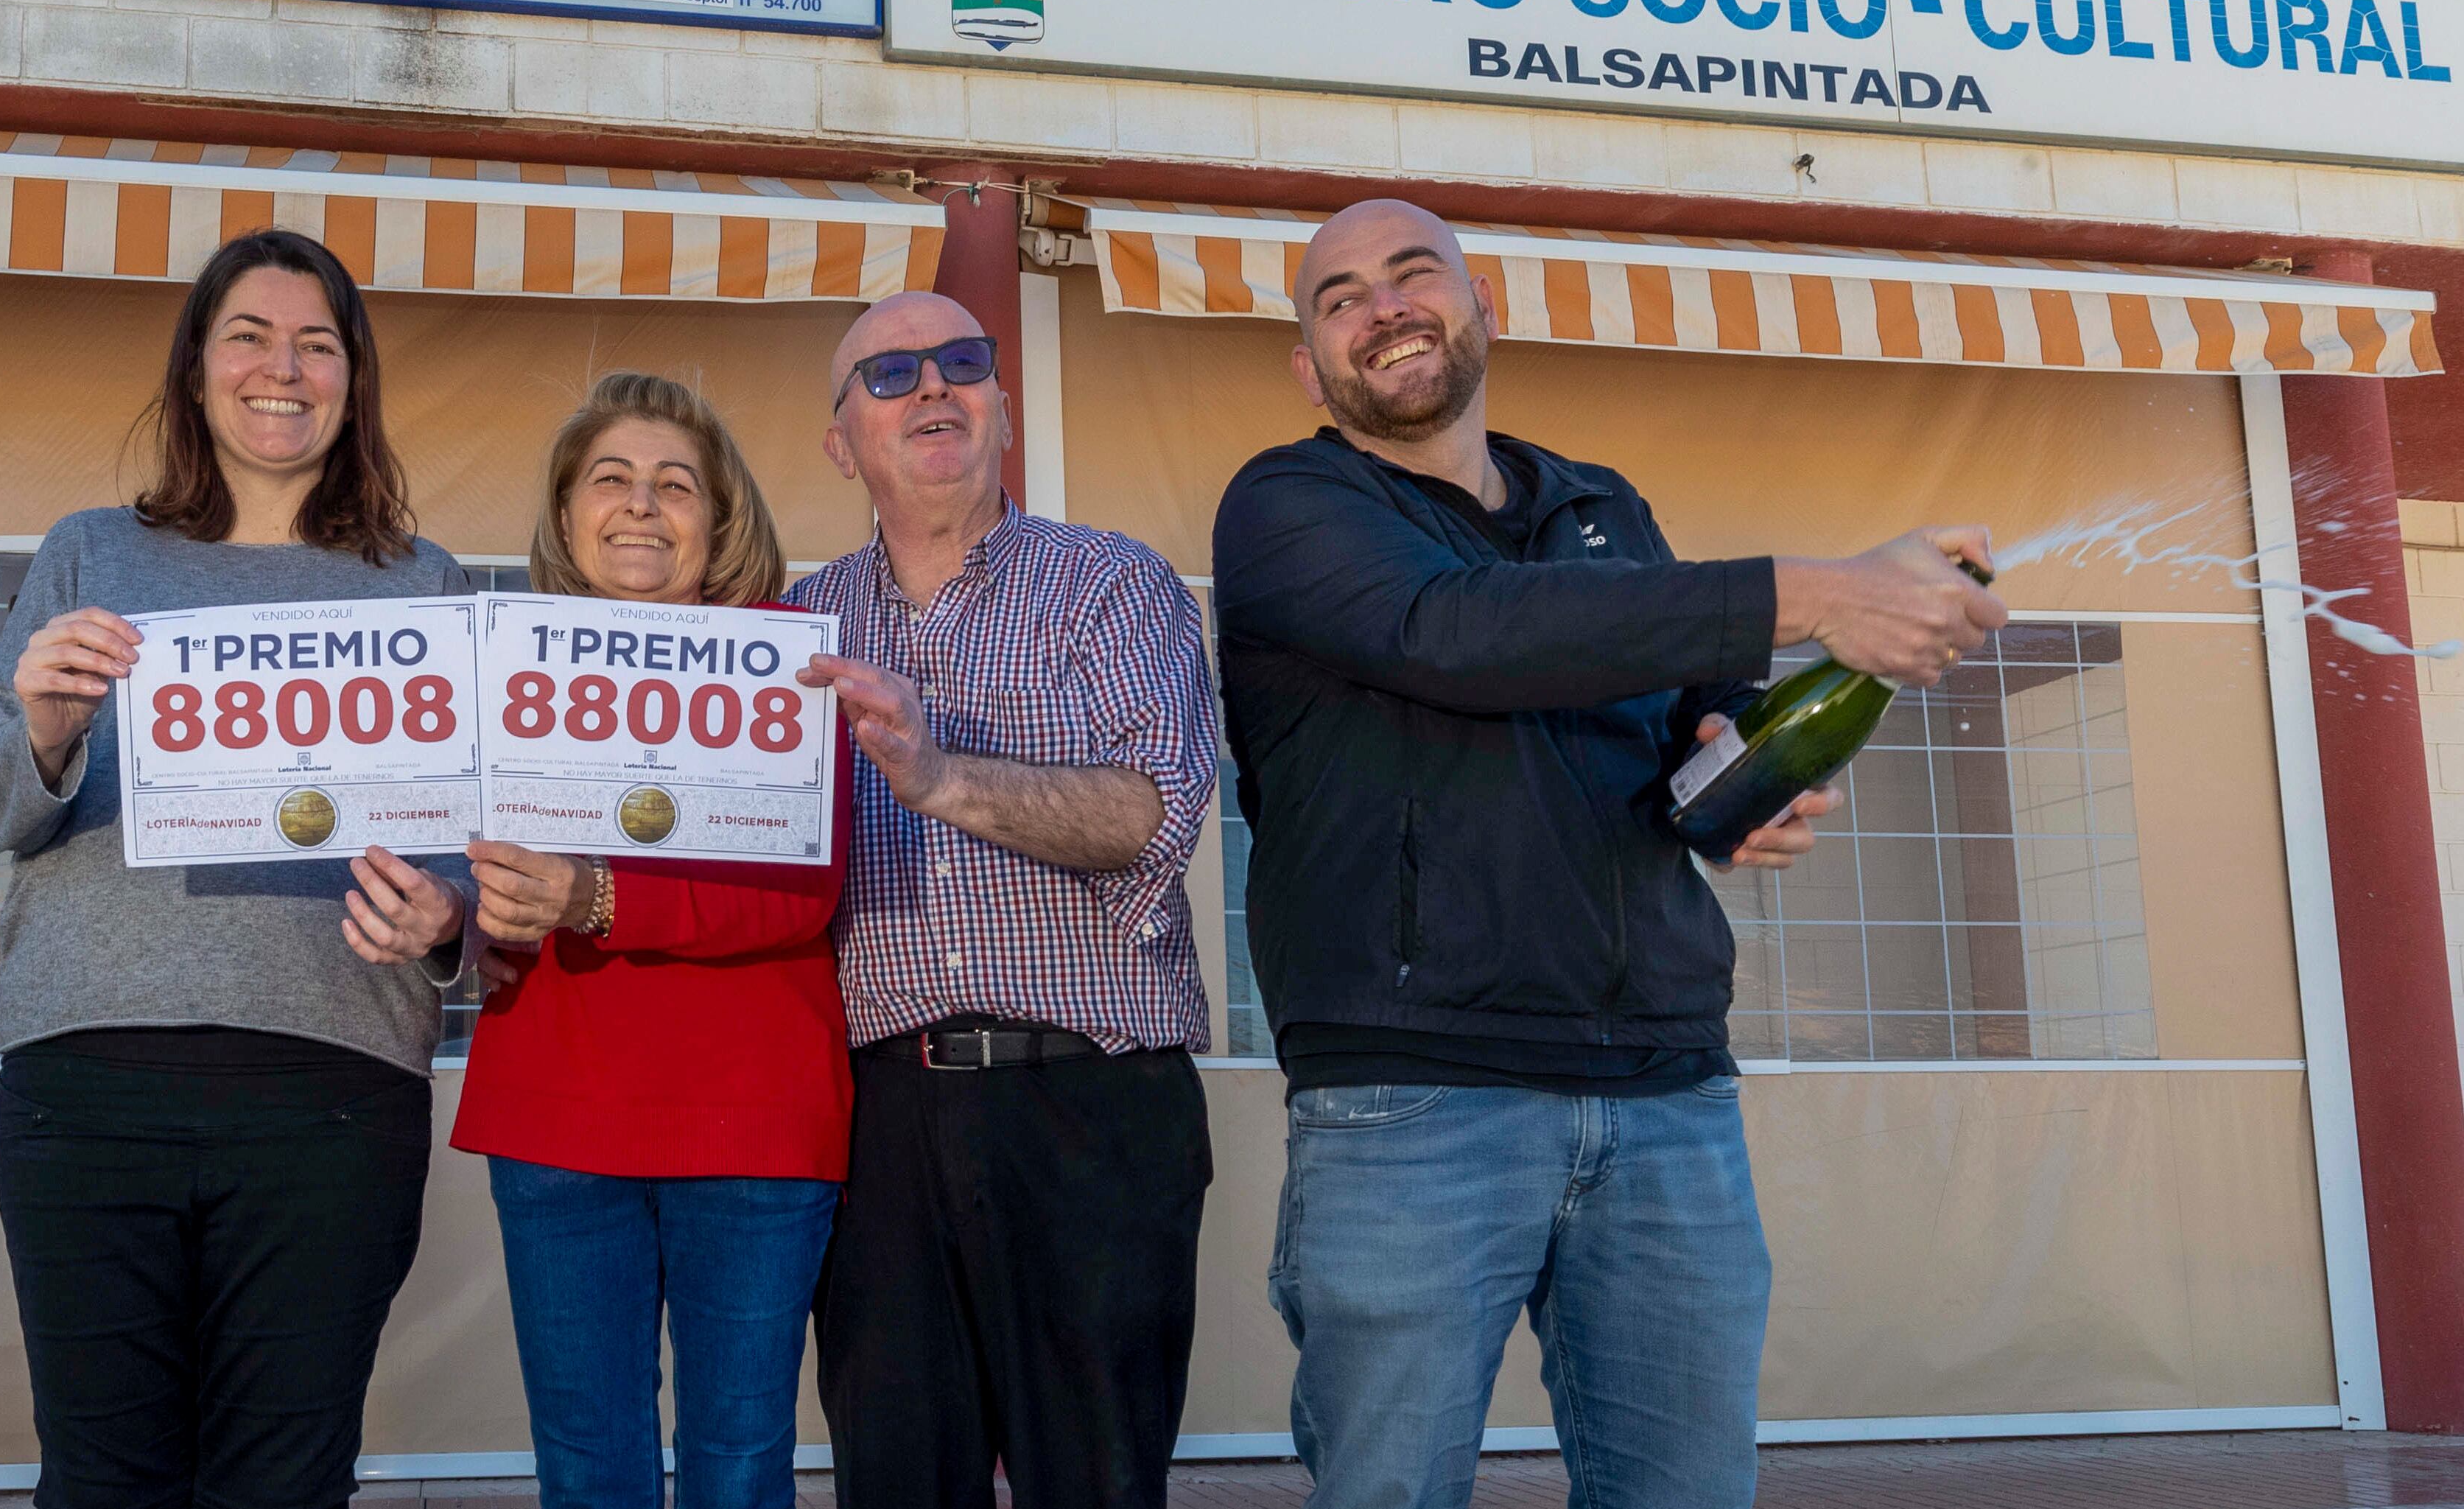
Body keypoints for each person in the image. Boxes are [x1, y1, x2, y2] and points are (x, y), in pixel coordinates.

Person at [1210, 200, 2011, 1509]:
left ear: (1484, 309)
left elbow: (1680, 732)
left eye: (1416, 274)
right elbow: (1452, 632)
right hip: (1415, 1102)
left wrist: (1743, 780)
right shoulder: (1290, 504)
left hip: (1664, 1092)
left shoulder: (1602, 510)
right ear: (1310, 366)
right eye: (1340, 296)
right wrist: (1818, 590)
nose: (1385, 305)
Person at [0, 229, 474, 1508]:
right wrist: (45, 724)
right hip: (89, 1085)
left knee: (287, 1481)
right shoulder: (87, 554)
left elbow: (468, 858)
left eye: (317, 341)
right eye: (248, 334)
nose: (280, 367)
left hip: (334, 1093)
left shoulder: (425, 584)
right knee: (101, 1476)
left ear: (353, 378)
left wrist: (448, 916)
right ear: (196, 368)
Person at [788, 293, 1218, 1509]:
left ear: (1003, 408)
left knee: (1094, 1480)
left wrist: (938, 775)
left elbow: (1151, 812)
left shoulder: (1110, 582)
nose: (932, 387)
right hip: (872, 1112)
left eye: (962, 363)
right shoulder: (793, 627)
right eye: (889, 374)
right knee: (897, 1478)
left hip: (1086, 1099)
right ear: (839, 440)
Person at [450, 371, 849, 1509]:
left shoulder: (783, 658)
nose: (640, 504)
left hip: (752, 1120)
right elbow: (453, 862)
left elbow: (801, 891)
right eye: (609, 479)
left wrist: (594, 898)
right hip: (557, 1111)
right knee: (586, 1465)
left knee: (737, 1464)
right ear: (566, 513)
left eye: (676, 485)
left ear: (720, 522)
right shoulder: (504, 665)